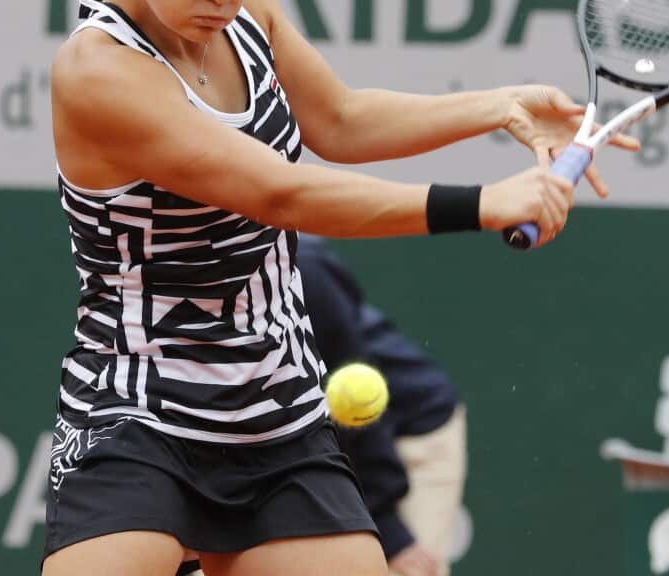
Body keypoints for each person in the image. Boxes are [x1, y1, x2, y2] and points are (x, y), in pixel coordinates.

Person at [42, 0, 637, 574]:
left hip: (276, 406)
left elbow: (340, 119)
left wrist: (500, 104)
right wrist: (481, 203)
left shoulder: (245, 3)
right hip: (137, 412)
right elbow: (280, 194)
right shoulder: (96, 73)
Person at [178, 235, 469, 576]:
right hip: (288, 446)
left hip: (406, 435)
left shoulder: (305, 269)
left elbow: (361, 416)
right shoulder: (149, 275)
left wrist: (392, 534)